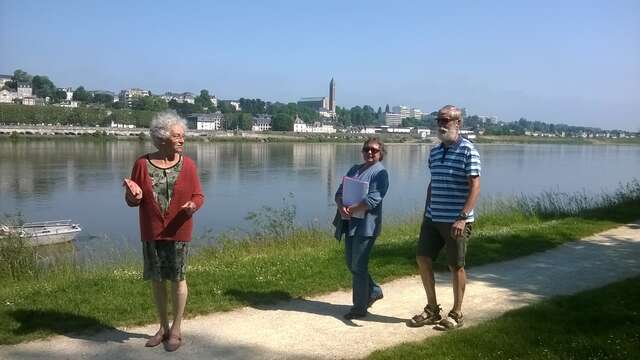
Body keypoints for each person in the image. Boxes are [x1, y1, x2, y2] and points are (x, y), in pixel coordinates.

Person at [123, 111, 204, 351]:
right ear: (162, 138)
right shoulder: (141, 163)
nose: (182, 140)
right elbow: (132, 200)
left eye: (183, 136)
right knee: (157, 281)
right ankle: (163, 327)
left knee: (178, 279)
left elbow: (199, 195)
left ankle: (176, 330)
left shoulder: (188, 165)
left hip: (179, 230)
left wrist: (193, 206)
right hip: (152, 231)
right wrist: (132, 195)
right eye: (177, 136)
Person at [408, 105, 480, 330]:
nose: (441, 124)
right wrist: (426, 210)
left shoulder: (469, 150)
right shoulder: (435, 151)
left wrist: (462, 217)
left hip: (456, 219)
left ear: (458, 123)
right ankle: (432, 309)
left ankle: (457, 313)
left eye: (446, 120)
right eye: (439, 120)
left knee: (455, 265)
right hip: (432, 217)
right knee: (422, 258)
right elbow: (434, 182)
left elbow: (475, 187)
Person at [334, 137, 390, 320]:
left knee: (358, 266)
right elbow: (339, 192)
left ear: (381, 153)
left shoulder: (380, 173)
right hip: (349, 222)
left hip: (366, 226)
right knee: (352, 264)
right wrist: (341, 204)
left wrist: (353, 208)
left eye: (374, 150)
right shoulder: (354, 169)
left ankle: (359, 307)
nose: (370, 152)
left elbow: (373, 199)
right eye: (367, 149)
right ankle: (373, 290)